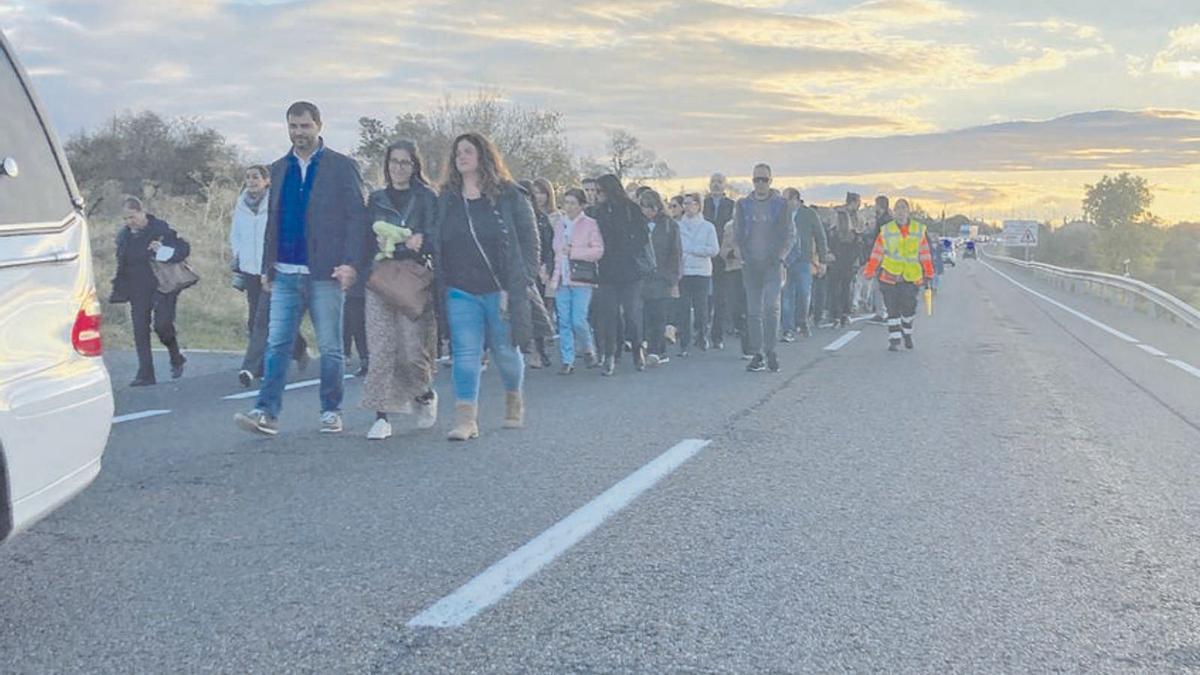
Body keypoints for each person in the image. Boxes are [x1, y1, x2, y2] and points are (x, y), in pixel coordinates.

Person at [234, 101, 366, 436]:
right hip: (285, 271)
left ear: (319, 126)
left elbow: (356, 218)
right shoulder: (277, 169)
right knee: (277, 343)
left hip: (325, 273)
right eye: (293, 126)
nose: (299, 133)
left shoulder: (341, 167)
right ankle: (265, 412)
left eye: (305, 126)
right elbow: (272, 221)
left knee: (331, 346)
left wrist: (351, 263)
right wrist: (267, 266)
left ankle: (331, 410)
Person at [432, 132, 539, 441]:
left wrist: (519, 284)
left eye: (468, 151)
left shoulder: (509, 195)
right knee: (465, 353)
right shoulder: (447, 198)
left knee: (506, 351)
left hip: (501, 288)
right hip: (459, 289)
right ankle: (466, 419)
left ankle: (513, 398)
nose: (461, 156)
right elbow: (436, 238)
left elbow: (531, 244)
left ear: (483, 156)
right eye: (457, 153)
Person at [361, 140, 439, 441]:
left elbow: (433, 236)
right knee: (380, 348)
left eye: (405, 162)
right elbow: (367, 234)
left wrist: (415, 244)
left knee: (410, 350)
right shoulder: (377, 198)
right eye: (393, 161)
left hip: (413, 279)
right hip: (380, 276)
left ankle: (423, 392)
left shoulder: (427, 198)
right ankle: (381, 416)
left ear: (415, 165)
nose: (398, 167)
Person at [231, 165, 309, 388]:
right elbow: (235, 232)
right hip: (249, 267)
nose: (251, 181)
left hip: (271, 267)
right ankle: (292, 351)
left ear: (267, 181)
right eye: (247, 177)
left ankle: (261, 365)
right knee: (256, 316)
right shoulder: (242, 203)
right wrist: (238, 255)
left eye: (255, 177)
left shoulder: (274, 203)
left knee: (270, 318)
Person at [110, 196, 190, 387]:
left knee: (162, 325)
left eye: (132, 217)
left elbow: (183, 249)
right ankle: (145, 373)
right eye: (126, 219)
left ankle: (175, 355)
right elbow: (122, 264)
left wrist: (163, 249)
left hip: (163, 285)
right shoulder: (124, 236)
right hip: (137, 287)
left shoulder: (160, 229)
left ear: (141, 212)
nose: (130, 222)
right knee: (140, 328)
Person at [733, 164, 794, 373]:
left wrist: (781, 256)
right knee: (753, 311)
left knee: (771, 307)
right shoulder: (743, 205)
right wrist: (740, 253)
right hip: (751, 264)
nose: (760, 183)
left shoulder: (780, 204)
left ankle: (771, 350)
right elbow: (738, 232)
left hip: (772, 263)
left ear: (771, 181)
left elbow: (789, 234)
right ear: (752, 181)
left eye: (764, 179)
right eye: (757, 179)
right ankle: (757, 353)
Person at [594, 174, 650, 376]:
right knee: (609, 315)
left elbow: (643, 235)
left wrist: (628, 248)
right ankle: (610, 354)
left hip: (630, 269)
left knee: (631, 312)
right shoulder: (597, 212)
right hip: (606, 270)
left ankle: (637, 349)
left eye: (599, 191)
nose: (596, 195)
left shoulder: (631, 209)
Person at [861, 198, 935, 351]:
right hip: (889, 276)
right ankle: (894, 340)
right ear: (894, 212)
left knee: (909, 309)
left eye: (903, 208)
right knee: (892, 309)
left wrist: (928, 272)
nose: (901, 212)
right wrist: (870, 270)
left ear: (908, 211)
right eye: (898, 209)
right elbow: (877, 253)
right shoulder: (887, 230)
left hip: (911, 277)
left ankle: (906, 332)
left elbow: (925, 254)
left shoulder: (918, 230)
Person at [548, 187, 604, 374]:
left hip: (581, 278)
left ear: (581, 205)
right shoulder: (559, 224)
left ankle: (588, 348)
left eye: (573, 203)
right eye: (566, 202)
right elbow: (555, 250)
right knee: (563, 320)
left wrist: (575, 252)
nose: (569, 207)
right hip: (561, 277)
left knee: (578, 319)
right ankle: (567, 359)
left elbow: (598, 250)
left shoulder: (590, 224)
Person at [639, 189, 682, 367]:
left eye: (651, 208)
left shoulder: (669, 225)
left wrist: (672, 277)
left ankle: (657, 350)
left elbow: (676, 252)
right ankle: (648, 346)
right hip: (642, 275)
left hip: (661, 276)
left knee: (658, 314)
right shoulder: (638, 224)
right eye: (644, 208)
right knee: (644, 314)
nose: (648, 212)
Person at [780, 188, 828, 340]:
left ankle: (802, 321)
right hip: (785, 261)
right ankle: (788, 328)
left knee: (803, 293)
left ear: (795, 199)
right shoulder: (781, 215)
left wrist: (823, 260)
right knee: (786, 295)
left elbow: (821, 237)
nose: (784, 203)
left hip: (803, 259)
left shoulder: (809, 214)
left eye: (786, 199)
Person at [676, 192, 719, 357]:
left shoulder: (708, 227)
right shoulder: (678, 226)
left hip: (702, 271)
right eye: (685, 203)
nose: (687, 207)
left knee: (701, 307)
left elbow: (713, 249)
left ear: (698, 205)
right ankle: (684, 342)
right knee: (683, 308)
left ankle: (702, 335)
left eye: (691, 203)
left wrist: (694, 250)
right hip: (684, 271)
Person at [703, 172, 735, 349]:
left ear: (725, 185)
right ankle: (701, 330)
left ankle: (717, 334)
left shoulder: (731, 205)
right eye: (713, 181)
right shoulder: (703, 204)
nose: (716, 185)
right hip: (705, 255)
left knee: (720, 297)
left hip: (722, 256)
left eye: (719, 182)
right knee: (703, 297)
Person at [827, 210, 861, 327]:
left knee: (834, 290)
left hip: (835, 265)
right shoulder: (854, 235)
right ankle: (845, 314)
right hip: (848, 266)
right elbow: (857, 251)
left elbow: (828, 248)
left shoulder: (832, 233)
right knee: (846, 290)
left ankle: (836, 314)